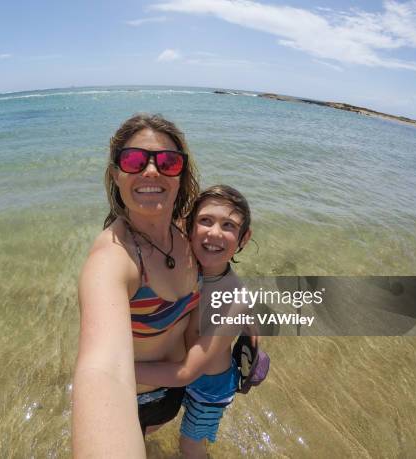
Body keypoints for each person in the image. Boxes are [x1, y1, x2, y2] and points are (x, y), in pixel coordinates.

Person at [72, 114, 200, 457]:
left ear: (181, 175)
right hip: (138, 398)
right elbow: (103, 371)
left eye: (168, 162)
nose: (151, 171)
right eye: (133, 160)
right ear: (116, 174)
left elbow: (222, 278)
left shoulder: (189, 233)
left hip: (181, 388)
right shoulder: (114, 259)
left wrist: (248, 323)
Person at [135, 185, 257, 458]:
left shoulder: (233, 298)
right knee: (149, 427)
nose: (214, 233)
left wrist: (123, 371)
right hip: (187, 375)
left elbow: (187, 372)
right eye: (205, 220)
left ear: (244, 238)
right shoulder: (191, 264)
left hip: (209, 390)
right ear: (189, 227)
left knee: (191, 446)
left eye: (229, 225)